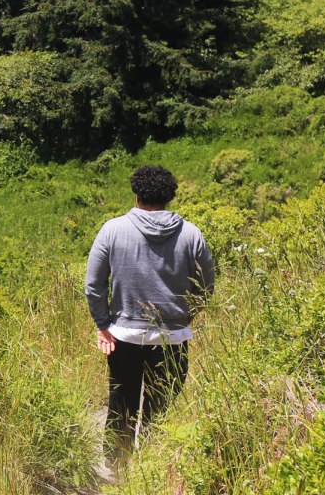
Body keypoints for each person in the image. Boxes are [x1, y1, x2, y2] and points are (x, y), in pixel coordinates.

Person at [85, 165, 215, 455]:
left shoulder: (112, 230)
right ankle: (155, 470)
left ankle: (117, 471)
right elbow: (206, 285)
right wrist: (187, 315)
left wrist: (102, 324)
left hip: (123, 337)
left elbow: (94, 284)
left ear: (137, 195)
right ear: (169, 197)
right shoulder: (191, 234)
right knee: (162, 411)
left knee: (121, 404)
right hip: (173, 339)